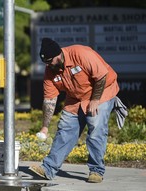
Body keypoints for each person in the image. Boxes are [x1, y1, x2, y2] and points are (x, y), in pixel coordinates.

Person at [29, 38, 121, 183]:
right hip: (76, 97)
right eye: (45, 62)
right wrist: (45, 127)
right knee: (65, 130)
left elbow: (101, 76)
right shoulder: (50, 71)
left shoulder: (81, 53)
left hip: (102, 91)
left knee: (95, 126)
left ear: (58, 55)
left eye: (49, 61)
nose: (48, 65)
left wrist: (95, 100)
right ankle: (48, 168)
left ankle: (96, 171)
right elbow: (49, 100)